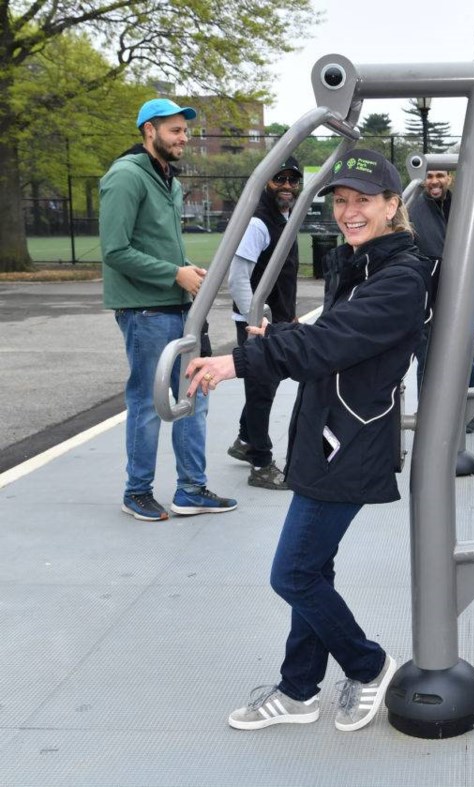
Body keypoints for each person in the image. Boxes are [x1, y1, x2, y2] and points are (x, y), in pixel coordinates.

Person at [184, 149, 432, 734]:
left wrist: (237, 362)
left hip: (350, 440)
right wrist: (288, 331)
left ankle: (368, 667)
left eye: (362, 201)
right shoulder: (365, 262)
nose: (348, 211)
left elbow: (330, 345)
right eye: (341, 201)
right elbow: (329, 334)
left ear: (393, 205)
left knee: (293, 574)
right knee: (312, 567)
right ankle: (299, 689)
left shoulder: (399, 276)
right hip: (329, 432)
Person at [100, 97, 237, 522]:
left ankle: (191, 489)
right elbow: (115, 251)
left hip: (178, 309)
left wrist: (184, 271)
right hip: (145, 312)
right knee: (147, 401)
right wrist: (173, 274)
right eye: (175, 131)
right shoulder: (126, 177)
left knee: (195, 395)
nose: (184, 138)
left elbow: (158, 244)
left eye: (185, 131)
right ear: (149, 131)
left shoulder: (169, 181)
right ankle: (136, 491)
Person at [225, 156, 304, 490]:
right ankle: (261, 464)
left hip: (275, 322)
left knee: (265, 388)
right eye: (278, 180)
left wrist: (289, 313)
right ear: (266, 184)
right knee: (260, 393)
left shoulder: (285, 218)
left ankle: (244, 441)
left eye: (292, 180)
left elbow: (281, 277)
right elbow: (237, 277)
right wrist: (258, 321)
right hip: (256, 326)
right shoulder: (259, 222)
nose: (286, 186)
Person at [408, 168, 474, 431]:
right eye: (429, 176)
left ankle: (466, 413)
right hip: (427, 296)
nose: (434, 181)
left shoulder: (465, 205)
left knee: (467, 355)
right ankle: (427, 413)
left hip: (462, 295)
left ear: (449, 177)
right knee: (426, 356)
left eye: (440, 175)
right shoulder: (413, 209)